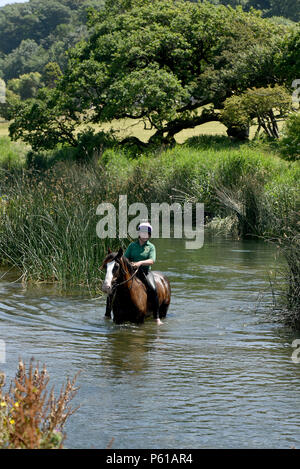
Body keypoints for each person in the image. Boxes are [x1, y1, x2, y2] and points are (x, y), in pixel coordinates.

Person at [125, 221, 162, 325]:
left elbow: (152, 260)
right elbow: (125, 258)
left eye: (148, 233)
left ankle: (157, 317)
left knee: (153, 289)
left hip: (145, 272)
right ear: (139, 234)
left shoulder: (151, 247)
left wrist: (140, 263)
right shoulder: (132, 245)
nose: (145, 235)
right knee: (115, 287)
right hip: (132, 272)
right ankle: (108, 313)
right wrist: (130, 263)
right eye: (143, 233)